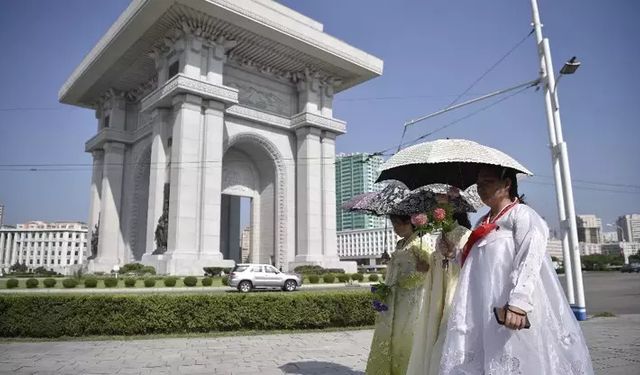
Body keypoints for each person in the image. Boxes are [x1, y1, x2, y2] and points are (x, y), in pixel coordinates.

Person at [440, 165, 594, 374]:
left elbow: (530, 259)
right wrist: (453, 253)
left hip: (511, 305)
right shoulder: (482, 222)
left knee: (519, 358)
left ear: (506, 184)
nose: (481, 188)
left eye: (488, 182)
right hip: (484, 307)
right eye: (479, 184)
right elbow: (475, 265)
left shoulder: (522, 215)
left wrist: (518, 304)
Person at [366, 214, 433, 375]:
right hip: (395, 296)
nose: (395, 228)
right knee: (394, 336)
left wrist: (419, 271)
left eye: (398, 224)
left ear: (409, 222)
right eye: (393, 224)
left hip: (412, 297)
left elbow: (428, 271)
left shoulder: (421, 241)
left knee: (407, 335)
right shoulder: (400, 243)